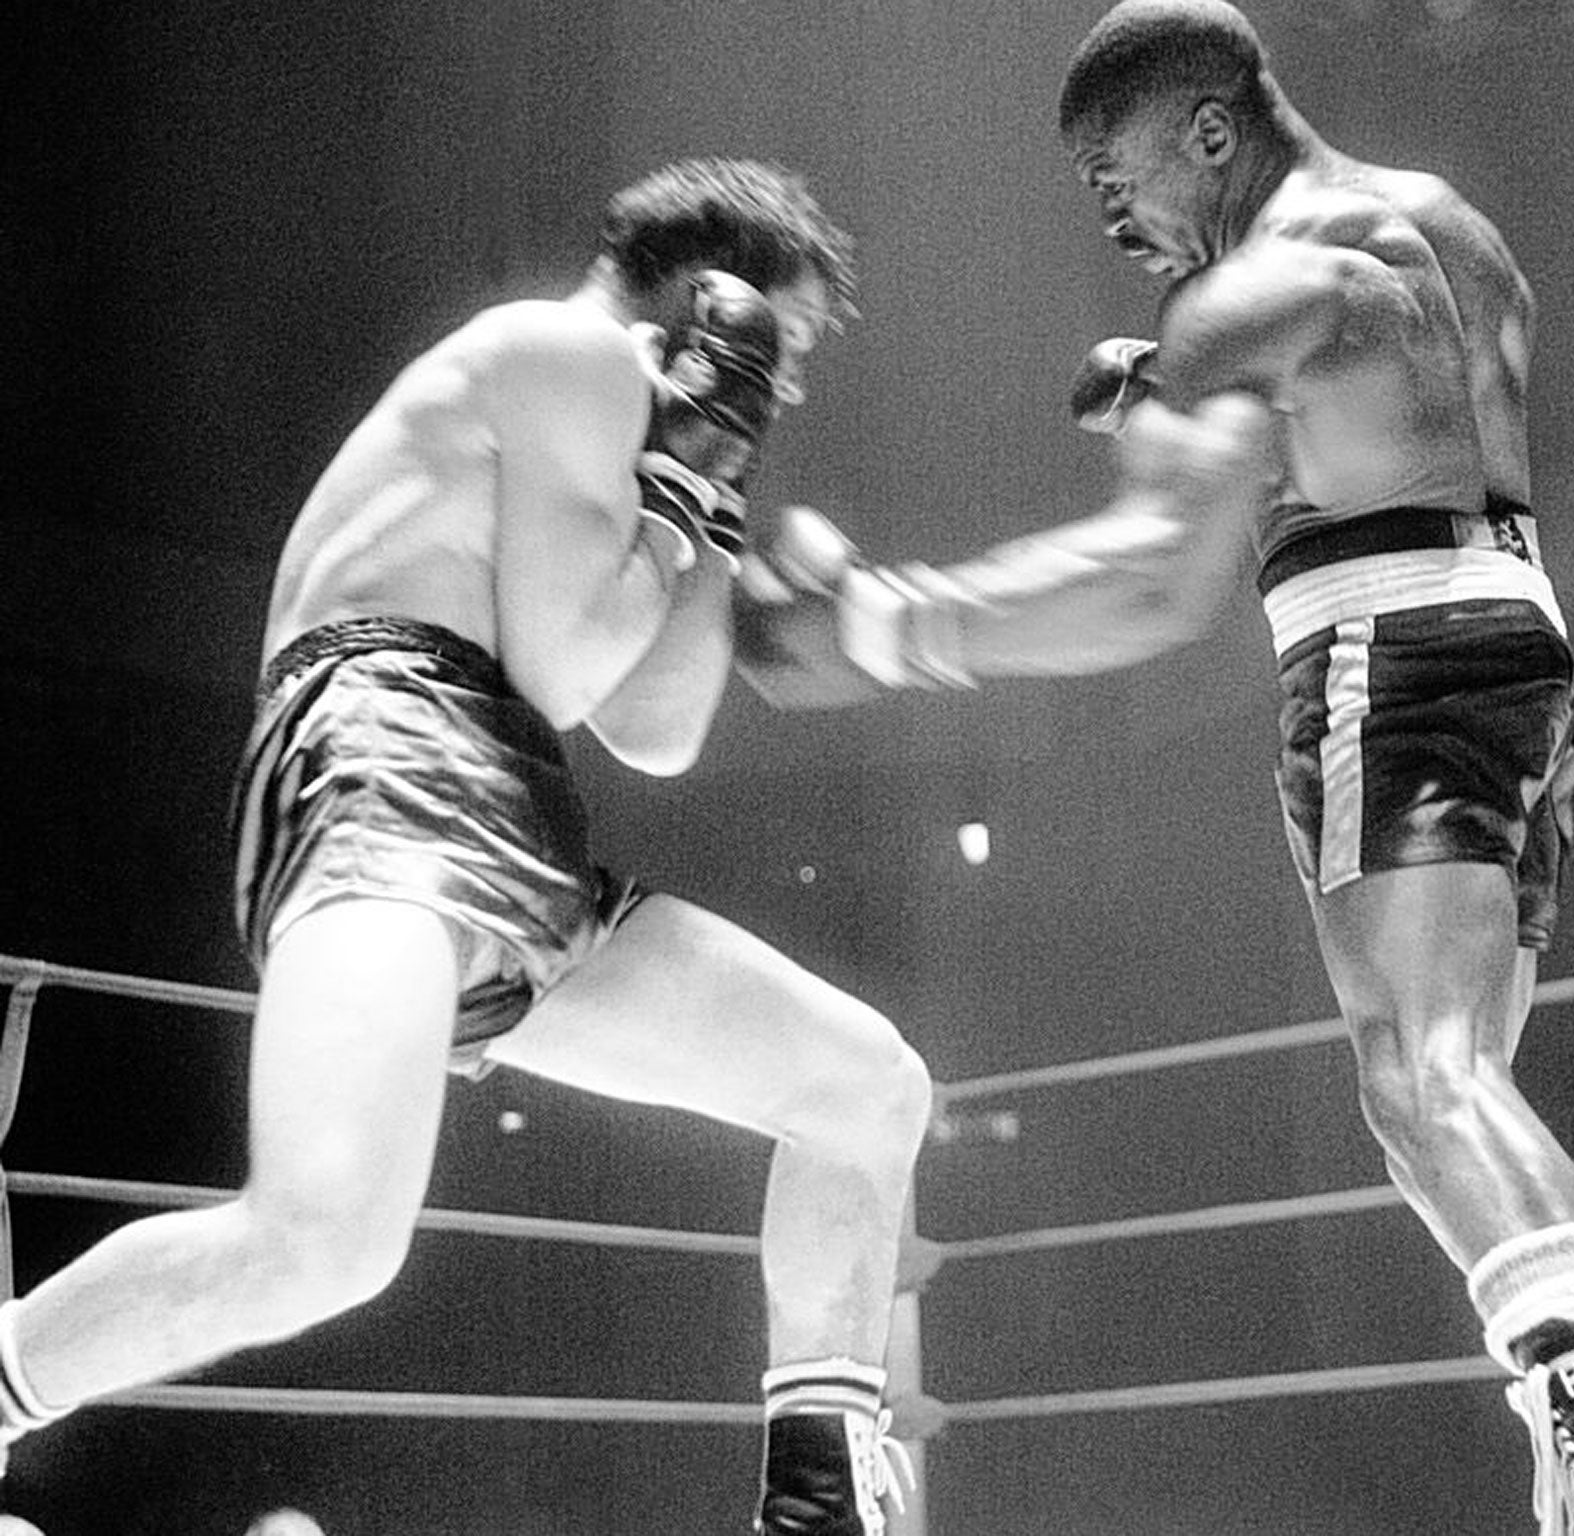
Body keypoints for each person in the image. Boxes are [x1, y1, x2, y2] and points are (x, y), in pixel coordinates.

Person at [728, 3, 1574, 1531]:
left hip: (1385, 660)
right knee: (1456, 1086)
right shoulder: (1447, 230)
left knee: (1425, 1084)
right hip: (1526, 663)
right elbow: (1378, 422)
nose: (1111, 211)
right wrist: (1170, 388)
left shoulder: (1244, 297)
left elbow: (1159, 582)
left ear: (1212, 129)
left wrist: (887, 628)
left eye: (1118, 170)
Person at [0, 158, 926, 1536]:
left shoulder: (645, 433)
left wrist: (707, 500)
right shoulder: (563, 355)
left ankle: (816, 1510)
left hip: (501, 803)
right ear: (705, 302)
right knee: (324, 1239)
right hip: (389, 751)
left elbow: (658, 730)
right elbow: (559, 668)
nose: (784, 389)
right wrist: (675, 486)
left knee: (864, 1089)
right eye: (779, 346)